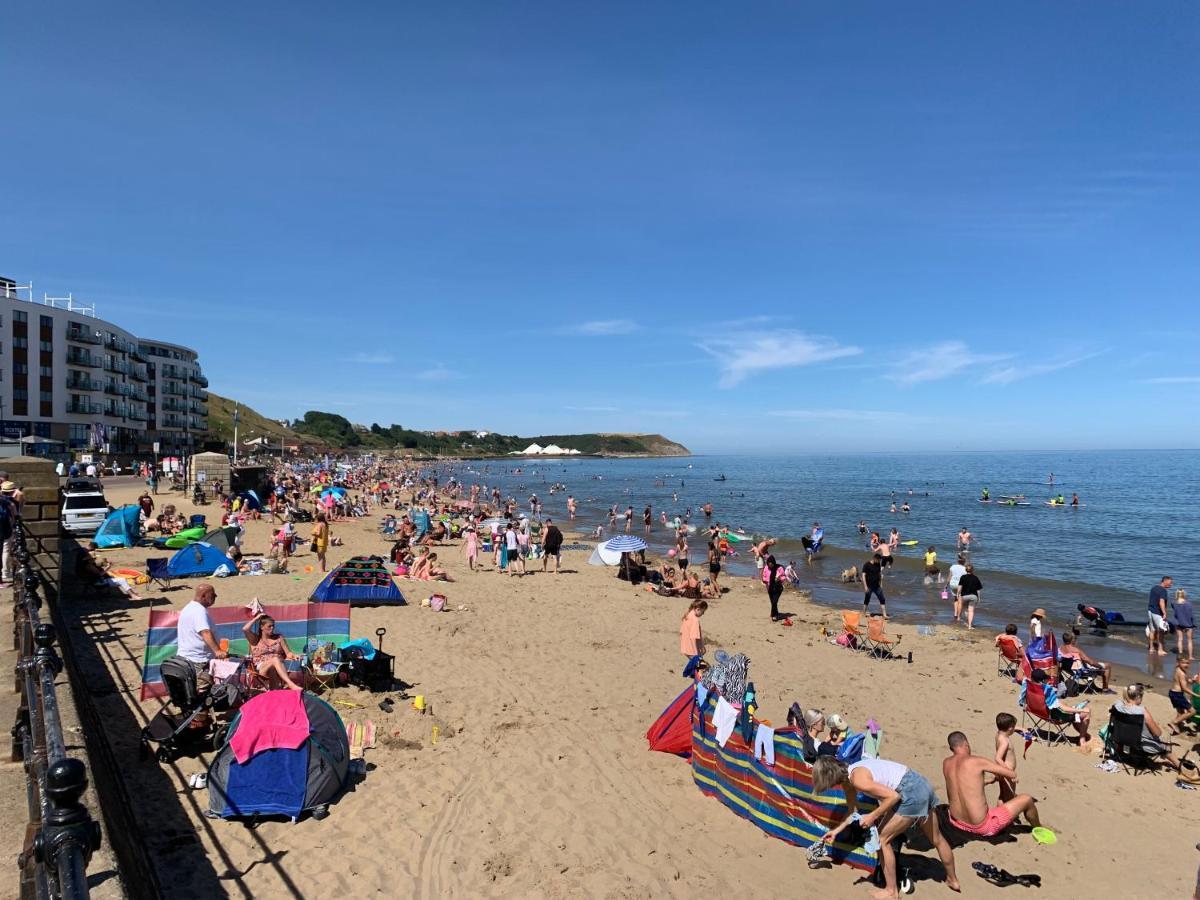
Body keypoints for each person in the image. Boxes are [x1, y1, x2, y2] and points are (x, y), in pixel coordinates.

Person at [814, 756, 959, 898]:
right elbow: (852, 811)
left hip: (909, 792)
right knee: (937, 838)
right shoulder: (851, 775)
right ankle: (953, 881)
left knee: (882, 840)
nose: (830, 787)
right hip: (921, 784)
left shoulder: (857, 779)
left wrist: (872, 816)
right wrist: (836, 831)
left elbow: (893, 797)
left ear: (831, 777)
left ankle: (891, 891)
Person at [942, 731, 1040, 839]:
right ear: (966, 744)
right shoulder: (976, 761)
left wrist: (989, 780)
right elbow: (1011, 774)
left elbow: (964, 786)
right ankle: (1040, 829)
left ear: (951, 749)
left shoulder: (946, 763)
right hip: (982, 827)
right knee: (1026, 799)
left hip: (957, 822)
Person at [1115, 683, 1184, 770]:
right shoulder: (1142, 711)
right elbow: (1158, 733)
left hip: (1121, 740)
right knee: (1165, 739)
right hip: (1140, 746)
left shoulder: (1117, 705)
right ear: (1138, 697)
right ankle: (1179, 765)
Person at [176, 585, 226, 700]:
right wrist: (217, 651)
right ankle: (200, 717)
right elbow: (205, 632)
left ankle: (197, 714)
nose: (215, 597)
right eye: (213, 595)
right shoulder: (199, 611)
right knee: (202, 691)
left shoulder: (189, 608)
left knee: (192, 690)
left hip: (186, 657)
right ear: (204, 596)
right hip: (198, 659)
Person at [1021, 669, 1091, 743]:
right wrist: (1082, 710)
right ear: (1043, 680)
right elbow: (1064, 709)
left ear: (1032, 678)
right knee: (1085, 713)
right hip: (1053, 718)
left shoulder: (1028, 685)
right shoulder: (1047, 690)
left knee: (1074, 711)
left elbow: (1022, 699)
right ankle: (1082, 740)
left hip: (1035, 711)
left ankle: (1083, 735)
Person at [242, 613, 303, 691]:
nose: (272, 628)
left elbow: (288, 653)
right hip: (261, 668)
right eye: (269, 626)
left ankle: (275, 693)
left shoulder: (279, 638)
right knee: (275, 659)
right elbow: (245, 629)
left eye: (273, 626)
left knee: (274, 668)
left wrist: (294, 656)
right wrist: (256, 618)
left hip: (277, 668)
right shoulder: (255, 639)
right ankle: (291, 684)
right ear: (261, 627)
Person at [1149, 576, 1172, 656]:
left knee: (1152, 630)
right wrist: (1164, 613)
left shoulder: (1154, 588)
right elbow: (1161, 602)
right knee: (1161, 631)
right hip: (1157, 613)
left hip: (1150, 611)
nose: (1171, 585)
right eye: (1170, 583)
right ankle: (1160, 650)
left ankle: (1151, 648)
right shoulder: (1163, 591)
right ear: (1164, 581)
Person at [955, 564, 983, 629]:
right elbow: (978, 589)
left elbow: (960, 587)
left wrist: (957, 593)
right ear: (972, 570)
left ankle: (964, 620)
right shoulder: (976, 578)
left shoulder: (963, 577)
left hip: (964, 596)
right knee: (971, 611)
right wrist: (979, 598)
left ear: (966, 570)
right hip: (973, 596)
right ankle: (970, 625)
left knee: (965, 609)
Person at [862, 552, 887, 618]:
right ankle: (863, 613)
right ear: (875, 558)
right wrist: (865, 586)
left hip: (877, 586)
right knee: (867, 599)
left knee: (882, 599)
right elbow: (863, 575)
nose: (879, 561)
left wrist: (881, 583)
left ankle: (884, 615)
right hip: (869, 586)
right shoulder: (867, 564)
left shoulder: (878, 564)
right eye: (879, 560)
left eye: (880, 560)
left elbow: (879, 574)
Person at [763, 555, 785, 622]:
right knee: (773, 602)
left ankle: (774, 615)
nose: (770, 566)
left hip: (778, 588)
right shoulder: (766, 568)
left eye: (771, 564)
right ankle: (776, 612)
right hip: (770, 588)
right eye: (769, 564)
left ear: (773, 562)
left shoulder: (779, 568)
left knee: (775, 601)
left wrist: (779, 578)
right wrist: (766, 583)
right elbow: (764, 576)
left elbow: (784, 577)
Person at [1176, 589, 1195, 659]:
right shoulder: (1188, 604)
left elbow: (1176, 614)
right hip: (1188, 624)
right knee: (1189, 640)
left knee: (1180, 639)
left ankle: (1180, 655)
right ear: (1184, 594)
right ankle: (1190, 656)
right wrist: (1193, 623)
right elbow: (1191, 615)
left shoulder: (1174, 603)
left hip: (1179, 623)